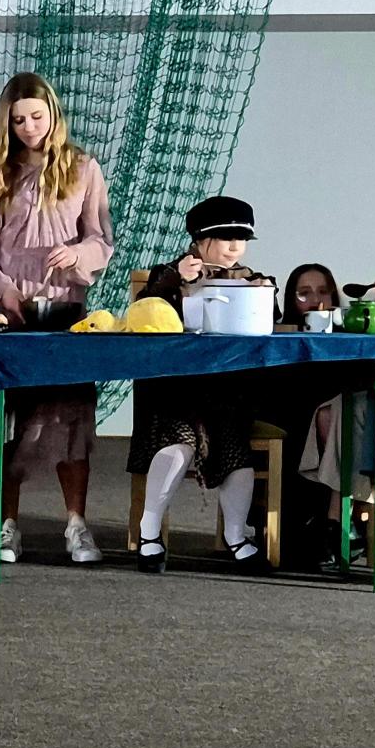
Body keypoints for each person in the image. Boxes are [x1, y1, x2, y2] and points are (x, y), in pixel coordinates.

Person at [0, 72, 114, 563]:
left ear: (53, 114)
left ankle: (77, 525)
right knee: (11, 420)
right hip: (12, 316)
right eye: (18, 120)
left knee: (70, 418)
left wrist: (77, 254)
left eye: (37, 116)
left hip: (65, 313)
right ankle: (6, 524)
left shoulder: (83, 169)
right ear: (6, 125)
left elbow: (101, 239)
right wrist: (4, 292)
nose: (29, 127)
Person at [129, 196, 273, 573]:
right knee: (178, 446)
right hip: (174, 390)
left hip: (224, 392)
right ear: (198, 240)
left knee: (236, 454)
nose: (234, 247)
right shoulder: (168, 273)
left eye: (241, 239)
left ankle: (237, 536)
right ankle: (149, 533)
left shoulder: (249, 278)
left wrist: (263, 292)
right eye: (225, 237)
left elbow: (267, 322)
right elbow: (144, 312)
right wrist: (176, 280)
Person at [279, 263, 339, 329]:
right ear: (292, 299)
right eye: (305, 293)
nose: (316, 300)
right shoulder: (276, 334)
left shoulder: (346, 335)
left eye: (323, 292)